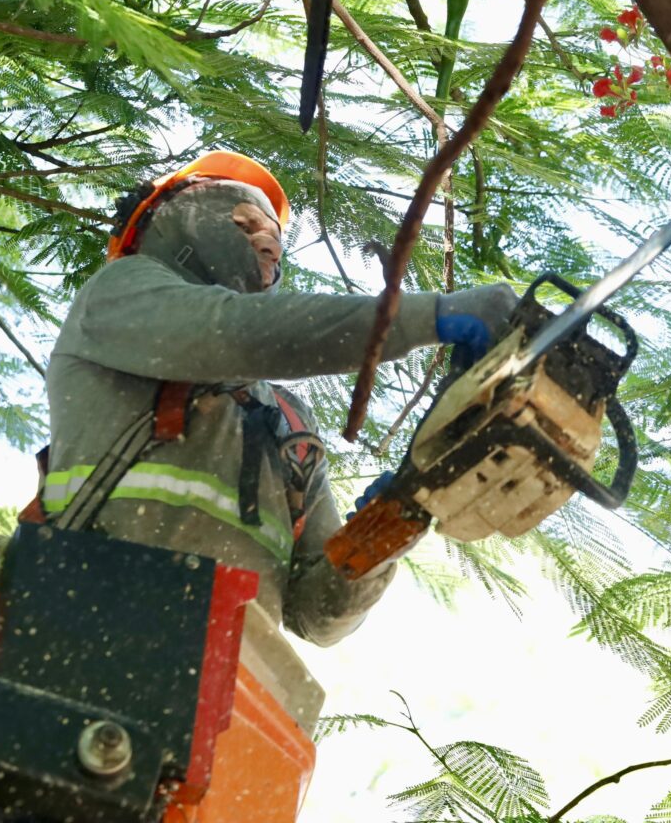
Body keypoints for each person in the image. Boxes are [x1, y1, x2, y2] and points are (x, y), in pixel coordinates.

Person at [41, 151, 516, 715]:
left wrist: (391, 524)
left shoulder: (286, 423)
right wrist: (429, 316)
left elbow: (316, 615)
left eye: (274, 236)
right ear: (168, 223)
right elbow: (237, 331)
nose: (267, 242)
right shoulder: (120, 293)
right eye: (244, 223)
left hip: (227, 699)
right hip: (83, 642)